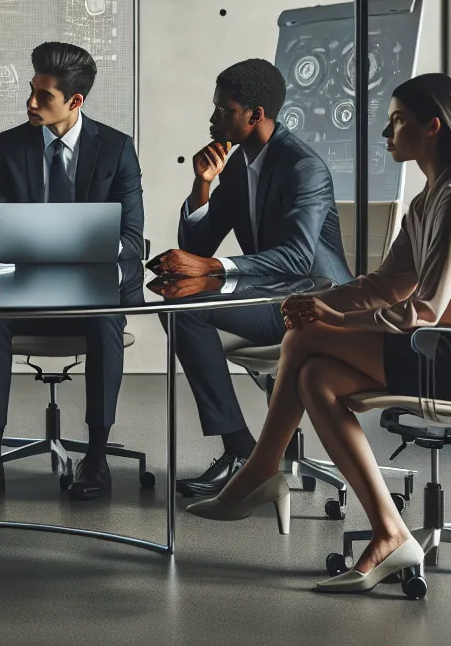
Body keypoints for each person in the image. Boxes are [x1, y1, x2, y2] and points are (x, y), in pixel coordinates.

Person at [186, 73, 451, 595]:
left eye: (397, 121)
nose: (386, 133)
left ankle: (259, 471)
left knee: (305, 339)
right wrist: (321, 303)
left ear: (432, 127)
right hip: (437, 347)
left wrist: (334, 319)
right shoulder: (427, 200)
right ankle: (389, 532)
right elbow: (387, 283)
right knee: (317, 377)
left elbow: (425, 309)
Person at [144, 59, 352, 499]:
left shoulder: (303, 168)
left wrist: (216, 268)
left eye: (224, 110)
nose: (213, 118)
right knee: (175, 303)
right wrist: (202, 186)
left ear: (255, 115)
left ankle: (241, 451)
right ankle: (241, 447)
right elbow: (197, 246)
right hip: (270, 298)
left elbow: (298, 258)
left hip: (314, 304)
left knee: (185, 310)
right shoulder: (238, 167)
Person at [0, 41, 145, 502]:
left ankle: (97, 455)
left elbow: (133, 241)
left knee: (104, 323)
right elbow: (3, 231)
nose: (31, 103)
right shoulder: (10, 145)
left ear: (75, 101)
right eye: (31, 91)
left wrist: (89, 242)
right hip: (28, 289)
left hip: (92, 293)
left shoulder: (115, 149)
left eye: (44, 96)